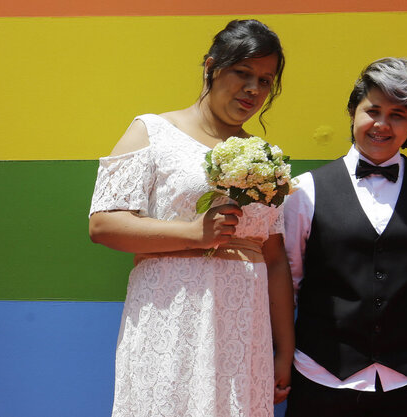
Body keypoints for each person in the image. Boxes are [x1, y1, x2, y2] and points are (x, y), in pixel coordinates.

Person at [88, 19, 295, 417]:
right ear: (211, 66)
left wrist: (284, 350)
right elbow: (103, 225)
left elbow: (274, 258)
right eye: (242, 73)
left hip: (242, 330)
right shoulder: (151, 131)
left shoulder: (266, 158)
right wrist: (194, 234)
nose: (254, 89)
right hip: (170, 318)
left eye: (266, 81)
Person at [282, 57, 407, 416]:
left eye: (398, 114)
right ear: (353, 111)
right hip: (320, 379)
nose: (382, 125)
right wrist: (283, 360)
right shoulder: (303, 191)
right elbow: (286, 285)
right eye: (373, 110)